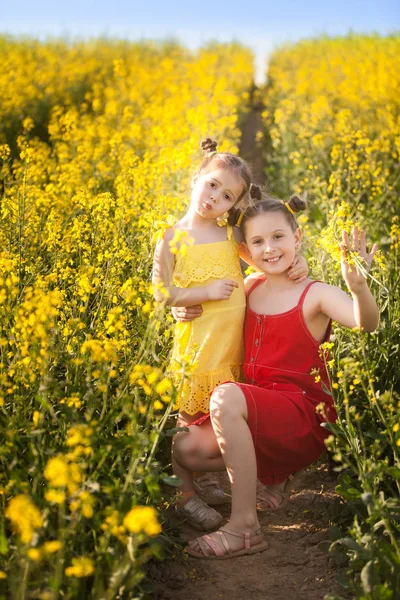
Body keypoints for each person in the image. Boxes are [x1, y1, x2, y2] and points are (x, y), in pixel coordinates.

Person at [172, 189, 379, 559]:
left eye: (279, 237)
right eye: (258, 241)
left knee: (226, 397)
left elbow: (366, 324)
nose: (269, 248)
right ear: (246, 250)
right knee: (185, 447)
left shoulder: (315, 294)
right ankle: (272, 475)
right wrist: (182, 310)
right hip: (257, 413)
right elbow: (212, 286)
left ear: (297, 237)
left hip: (301, 418)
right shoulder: (249, 286)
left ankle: (243, 528)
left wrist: (358, 286)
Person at [152, 141, 308, 531]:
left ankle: (212, 479)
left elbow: (265, 254)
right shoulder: (171, 237)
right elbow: (161, 292)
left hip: (231, 348)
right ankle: (185, 495)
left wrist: (298, 262)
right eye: (211, 186)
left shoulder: (228, 233)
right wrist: (201, 294)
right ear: (195, 179)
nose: (214, 199)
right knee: (187, 423)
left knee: (220, 416)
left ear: (232, 205)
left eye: (226, 196)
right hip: (197, 348)